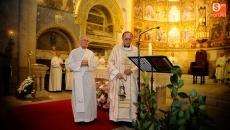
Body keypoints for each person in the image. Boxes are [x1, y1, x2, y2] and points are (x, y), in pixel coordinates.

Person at [107, 31, 138, 126]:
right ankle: (116, 118)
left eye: (129, 39)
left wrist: (132, 70)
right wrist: (117, 72)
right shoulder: (116, 49)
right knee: (117, 97)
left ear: (131, 39)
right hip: (118, 79)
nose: (128, 41)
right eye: (126, 39)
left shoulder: (136, 50)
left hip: (130, 80)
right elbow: (110, 62)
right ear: (122, 39)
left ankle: (129, 118)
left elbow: (139, 64)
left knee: (130, 97)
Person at [66, 35, 98, 124]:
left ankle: (89, 117)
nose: (86, 42)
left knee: (89, 97)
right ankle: (80, 118)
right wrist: (80, 63)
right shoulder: (74, 52)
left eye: (87, 41)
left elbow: (95, 64)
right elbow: (69, 64)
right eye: (84, 40)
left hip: (88, 78)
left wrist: (88, 63)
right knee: (80, 97)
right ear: (80, 41)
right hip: (79, 78)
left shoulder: (91, 53)